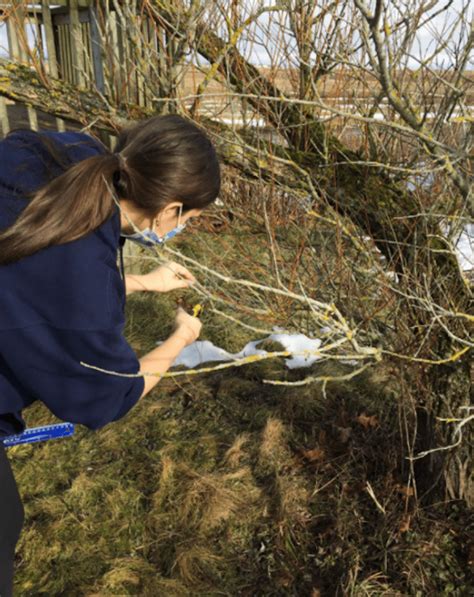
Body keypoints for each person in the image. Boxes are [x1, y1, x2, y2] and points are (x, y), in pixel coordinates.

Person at [0, 114, 221, 594]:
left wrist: (141, 280)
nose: (184, 227)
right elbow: (112, 392)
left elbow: (37, 273)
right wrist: (182, 338)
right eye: (189, 219)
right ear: (169, 209)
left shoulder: (57, 155)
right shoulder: (85, 282)